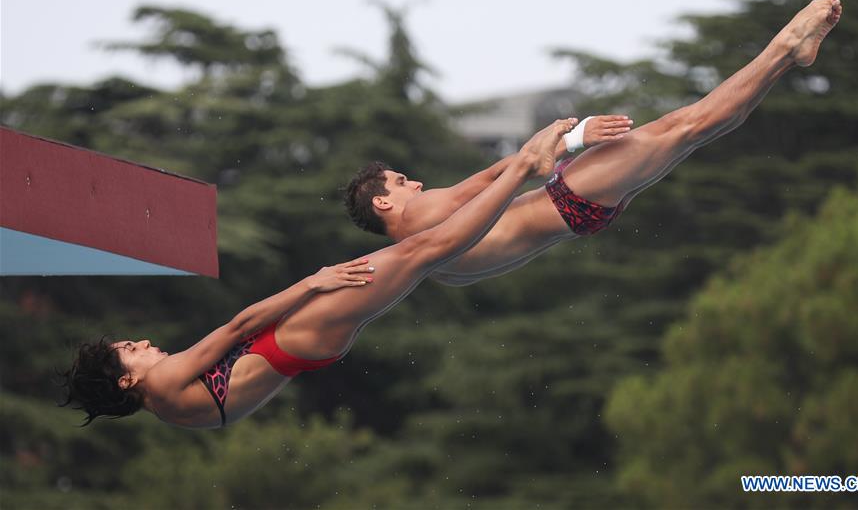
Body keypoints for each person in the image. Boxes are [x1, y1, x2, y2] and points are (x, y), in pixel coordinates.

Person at [59, 118, 578, 429]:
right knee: (425, 250)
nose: (144, 342)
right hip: (288, 340)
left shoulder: (170, 411)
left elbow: (243, 384)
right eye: (130, 349)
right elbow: (237, 330)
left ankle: (520, 171)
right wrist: (313, 281)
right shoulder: (167, 381)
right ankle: (524, 170)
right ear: (126, 380)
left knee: (427, 256)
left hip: (301, 351)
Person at [344, 0, 843, 285]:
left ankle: (786, 60)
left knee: (692, 134)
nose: (417, 182)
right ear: (383, 202)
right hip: (568, 196)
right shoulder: (420, 218)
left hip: (579, 216)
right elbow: (497, 174)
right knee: (686, 126)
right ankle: (784, 46)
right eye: (402, 181)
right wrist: (574, 138)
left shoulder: (428, 268)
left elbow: (507, 226)